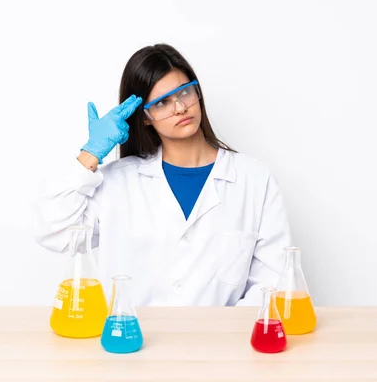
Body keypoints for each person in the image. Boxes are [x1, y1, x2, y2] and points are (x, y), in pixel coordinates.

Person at [34, 43, 292, 306]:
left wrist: (222, 338)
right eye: (162, 103)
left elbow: (273, 282)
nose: (180, 107)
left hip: (221, 342)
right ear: (145, 117)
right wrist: (90, 153)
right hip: (132, 341)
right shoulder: (117, 183)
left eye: (185, 92)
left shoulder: (254, 180)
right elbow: (55, 232)